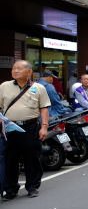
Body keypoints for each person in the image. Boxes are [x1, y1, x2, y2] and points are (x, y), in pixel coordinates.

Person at [0, 60, 50, 200]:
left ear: (29, 72)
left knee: (32, 158)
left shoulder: (39, 88)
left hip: (31, 127)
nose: (15, 71)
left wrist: (44, 127)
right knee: (10, 159)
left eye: (19, 69)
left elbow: (44, 108)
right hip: (9, 128)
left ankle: (32, 187)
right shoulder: (4, 86)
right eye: (14, 68)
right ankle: (10, 189)